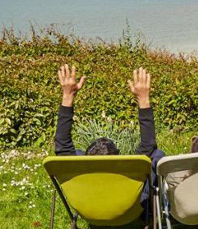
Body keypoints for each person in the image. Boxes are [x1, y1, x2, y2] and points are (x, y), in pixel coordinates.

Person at [54, 64, 164, 213]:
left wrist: (67, 96)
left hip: (90, 211)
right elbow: (149, 145)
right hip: (127, 212)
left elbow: (62, 146)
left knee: (75, 154)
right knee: (157, 155)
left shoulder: (80, 171)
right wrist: (143, 100)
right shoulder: (129, 170)